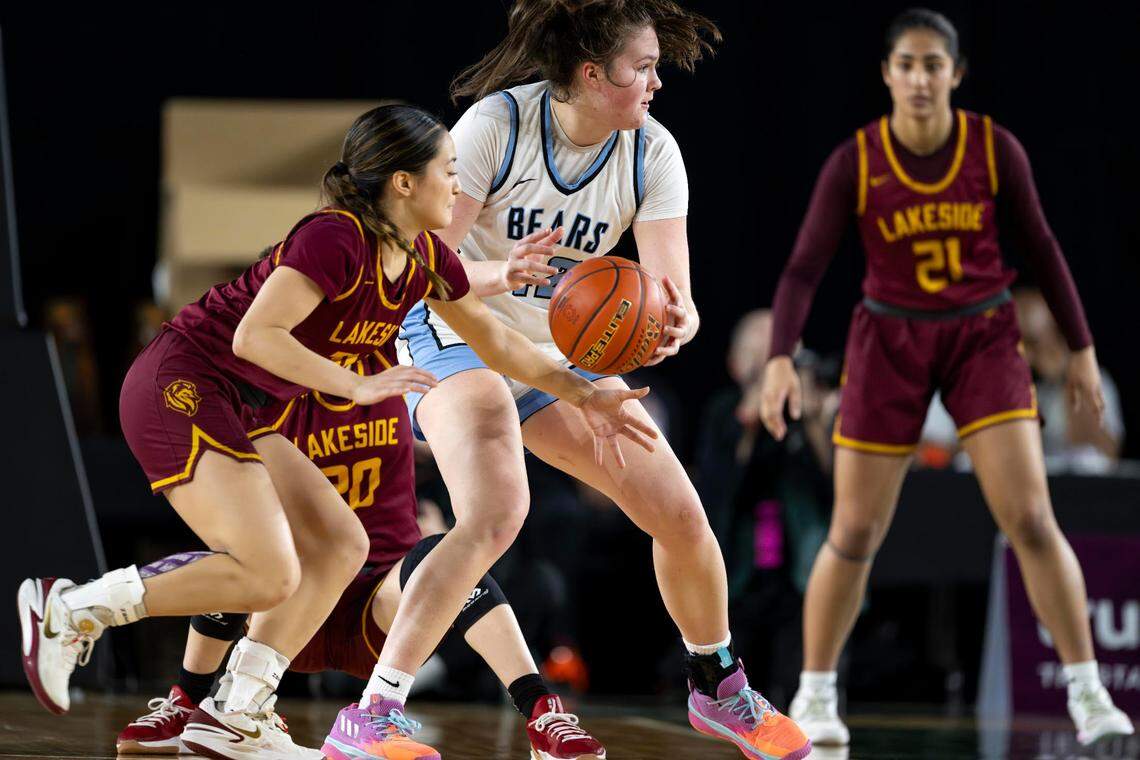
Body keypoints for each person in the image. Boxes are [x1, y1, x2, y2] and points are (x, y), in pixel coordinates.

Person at [18, 102, 651, 760]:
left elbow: (495, 340)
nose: (460, 187)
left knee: (339, 546)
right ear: (404, 182)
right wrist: (358, 384)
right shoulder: (334, 237)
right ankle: (70, 609)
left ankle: (236, 713)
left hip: (252, 407)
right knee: (268, 570)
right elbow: (253, 336)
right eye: (449, 171)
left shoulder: (426, 256)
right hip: (186, 381)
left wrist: (584, 394)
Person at [367, 3, 811, 760]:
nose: (656, 81)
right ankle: (374, 712)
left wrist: (677, 325)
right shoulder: (495, 128)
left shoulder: (652, 153)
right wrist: (503, 273)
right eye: (642, 67)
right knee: (498, 514)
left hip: (556, 357)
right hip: (452, 333)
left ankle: (717, 682)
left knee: (679, 514)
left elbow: (679, 296)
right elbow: (422, 273)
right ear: (590, 74)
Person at [744, 8, 1134, 748]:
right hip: (888, 337)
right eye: (906, 64)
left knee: (1029, 518)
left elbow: (1044, 249)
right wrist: (779, 360)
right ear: (887, 74)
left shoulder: (994, 149)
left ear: (955, 74)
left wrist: (1080, 346)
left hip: (982, 337)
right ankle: (816, 693)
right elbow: (801, 270)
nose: (920, 78)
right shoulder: (855, 160)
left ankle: (1088, 692)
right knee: (855, 528)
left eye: (933, 65)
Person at [118, 375, 604, 760]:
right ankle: (188, 701)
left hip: (381, 606)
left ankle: (542, 710)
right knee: (246, 555)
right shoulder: (263, 395)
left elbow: (464, 421)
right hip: (293, 608)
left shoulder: (402, 366)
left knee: (451, 553)